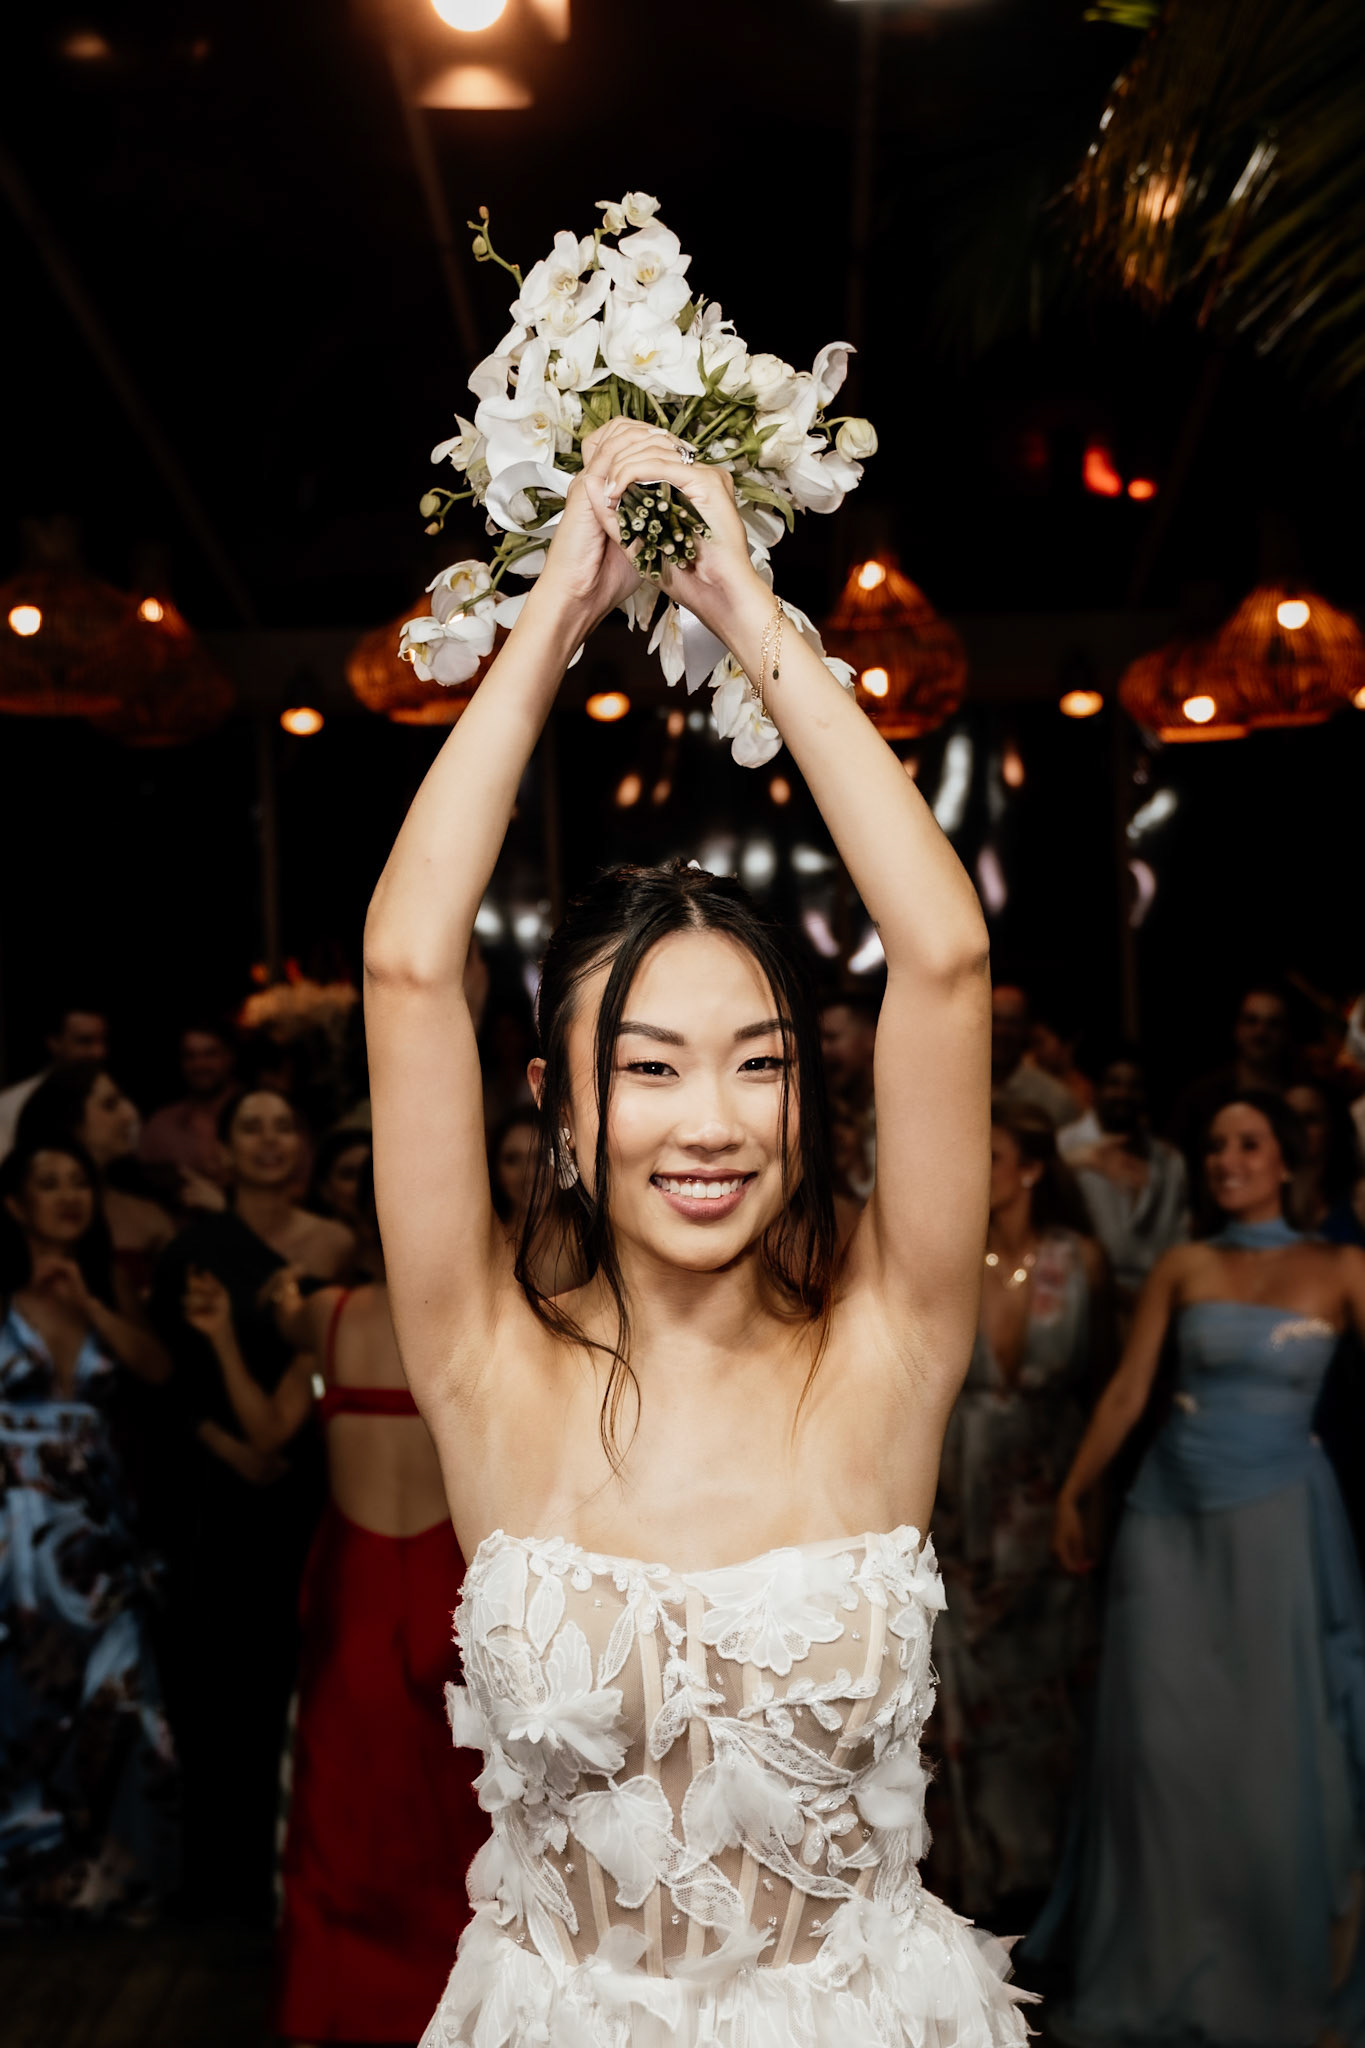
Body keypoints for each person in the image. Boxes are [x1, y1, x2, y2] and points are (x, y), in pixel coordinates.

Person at [363, 420, 1031, 2046]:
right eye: (650, 1068)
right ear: (567, 1118)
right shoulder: (485, 1367)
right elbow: (403, 965)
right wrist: (557, 613)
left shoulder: (886, 1352)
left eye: (759, 1061)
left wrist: (747, 604)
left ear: (809, 1096)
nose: (713, 1119)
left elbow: (941, 958)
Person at [1036, 1093, 1365, 2042]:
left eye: (1247, 1143)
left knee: (1267, 1749)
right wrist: (1071, 1491)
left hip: (1280, 1530)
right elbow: (1129, 1391)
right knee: (1165, 1752)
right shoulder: (1184, 1264)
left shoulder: (1342, 1265)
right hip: (1166, 1525)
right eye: (1214, 1144)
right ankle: (1160, 1955)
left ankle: (1263, 1963)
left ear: (1287, 1158)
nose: (1226, 1159)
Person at [182, 1157, 481, 2046]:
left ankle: (331, 2007)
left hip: (357, 1584)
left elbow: (270, 1437)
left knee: (337, 1813)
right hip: (446, 1581)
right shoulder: (479, 1320)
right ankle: (448, 2007)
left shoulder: (327, 1313)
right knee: (453, 1809)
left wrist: (226, 1341)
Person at [148, 1087, 353, 1923]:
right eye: (251, 1129)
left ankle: (299, 1879)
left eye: (283, 1126)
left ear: (301, 1148)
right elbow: (166, 1378)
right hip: (212, 1488)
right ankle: (220, 1885)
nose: (269, 1142)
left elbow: (337, 1356)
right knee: (219, 1683)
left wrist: (274, 1439)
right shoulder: (190, 1248)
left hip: (314, 1480)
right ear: (224, 1152)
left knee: (303, 1675)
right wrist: (230, 1446)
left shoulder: (334, 1243)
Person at [929, 1102, 1108, 1923]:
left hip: (1048, 1496)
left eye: (994, 1154)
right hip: (956, 1501)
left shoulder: (1080, 1261)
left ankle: (1053, 1893)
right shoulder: (945, 1258)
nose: (979, 1166)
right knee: (959, 1695)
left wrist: (1087, 1499)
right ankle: (977, 1889)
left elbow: (1103, 1386)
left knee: (1050, 1700)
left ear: (1031, 1167)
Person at [0, 1136, 177, 1916]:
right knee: (20, 1700)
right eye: (49, 1182)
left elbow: (158, 1371)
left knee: (119, 1694)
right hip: (13, 1535)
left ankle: (122, 1883)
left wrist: (93, 1305)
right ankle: (25, 1882)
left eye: (79, 1183)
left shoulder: (106, 1285)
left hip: (100, 1532)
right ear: (15, 1205)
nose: (69, 1196)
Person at [17, 1061, 177, 1301]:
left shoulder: (147, 1207)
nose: (130, 1114)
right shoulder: (24, 1210)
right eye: (110, 1105)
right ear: (71, 1118)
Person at [1058, 1050, 1188, 1316]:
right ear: (1096, 1090)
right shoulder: (1064, 1147)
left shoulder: (1169, 1160)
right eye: (1114, 1083)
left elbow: (1179, 1239)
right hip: (1081, 1300)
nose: (1123, 1094)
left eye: (1134, 1086)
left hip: (1154, 1303)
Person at [1166, 983, 1302, 1171]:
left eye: (1273, 1024)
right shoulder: (1200, 1098)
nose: (1261, 1032)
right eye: (1251, 1021)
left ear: (1287, 1034)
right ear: (1237, 1029)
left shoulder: (1301, 1097)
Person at [138, 1019, 238, 1200]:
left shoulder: (258, 1116)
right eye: (190, 1056)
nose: (199, 1065)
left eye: (210, 1054)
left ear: (229, 1057)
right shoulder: (161, 1126)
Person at [0, 999, 108, 1158]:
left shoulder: (119, 1102)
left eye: (102, 1040)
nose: (98, 1052)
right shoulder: (11, 1104)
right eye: (85, 1041)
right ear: (54, 1042)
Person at [1286, 1078, 1365, 1247]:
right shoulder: (1266, 1195)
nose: (1298, 1129)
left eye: (1310, 1119)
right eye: (1290, 1118)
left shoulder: (1358, 1196)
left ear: (1333, 1125)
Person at [991, 986, 1081, 1129]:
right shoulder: (956, 1087)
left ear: (1026, 1028)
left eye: (1012, 1022)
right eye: (994, 1019)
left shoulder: (1055, 1099)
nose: (1001, 1031)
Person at [818, 989, 878, 1195]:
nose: (822, 1050)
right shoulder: (832, 1112)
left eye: (832, 1038)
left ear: (871, 1038)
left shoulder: (905, 1111)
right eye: (818, 1040)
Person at [487, 1106, 540, 1235]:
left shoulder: (588, 1240)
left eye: (540, 1158)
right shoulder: (481, 1241)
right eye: (513, 1160)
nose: (529, 1173)